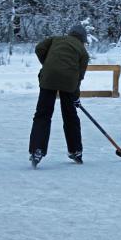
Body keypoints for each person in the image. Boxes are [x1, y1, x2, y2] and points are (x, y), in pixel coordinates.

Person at [29, 24, 89, 169]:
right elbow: (80, 76)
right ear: (83, 39)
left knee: (43, 115)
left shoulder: (56, 39)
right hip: (69, 82)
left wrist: (49, 63)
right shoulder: (83, 51)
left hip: (48, 78)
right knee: (70, 116)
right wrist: (75, 96)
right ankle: (76, 150)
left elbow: (39, 48)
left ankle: (37, 149)